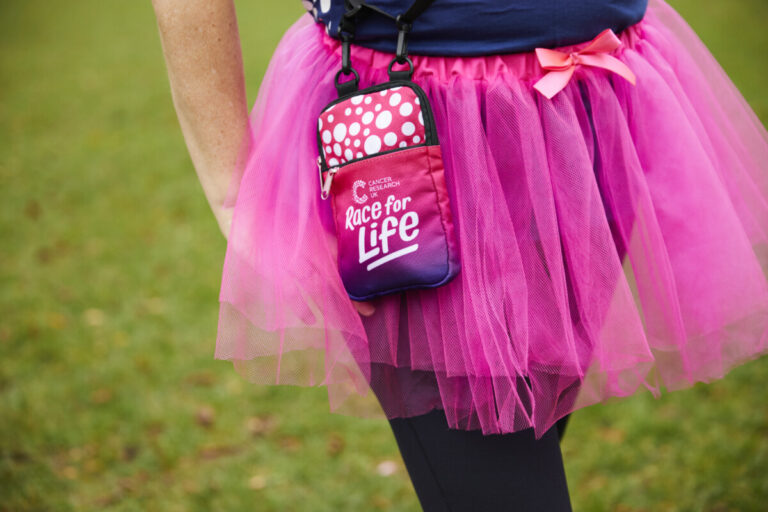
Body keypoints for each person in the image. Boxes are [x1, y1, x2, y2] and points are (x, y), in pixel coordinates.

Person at [151, 0, 768, 510]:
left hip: (593, 90)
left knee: (528, 436)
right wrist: (239, 201)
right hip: (416, 127)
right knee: (504, 487)